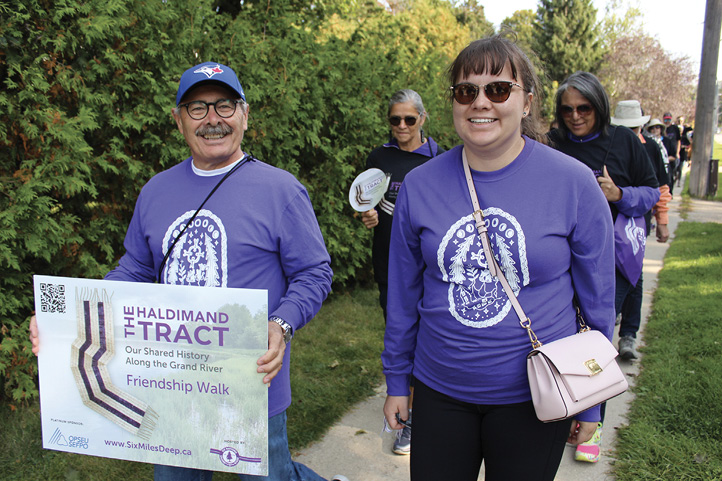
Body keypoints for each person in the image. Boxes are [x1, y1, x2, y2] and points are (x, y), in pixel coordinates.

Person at [29, 61, 348, 481]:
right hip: (171, 386)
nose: (213, 119)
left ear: (245, 115)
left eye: (224, 106)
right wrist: (69, 319)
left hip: (252, 385)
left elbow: (313, 272)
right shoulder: (156, 191)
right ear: (178, 120)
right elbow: (135, 269)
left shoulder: (280, 190)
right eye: (197, 108)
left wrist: (281, 324)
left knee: (273, 476)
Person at [382, 35, 615, 481]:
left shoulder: (574, 183)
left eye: (499, 89)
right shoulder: (420, 184)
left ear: (526, 100)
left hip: (536, 397)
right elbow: (403, 293)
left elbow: (599, 299)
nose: (480, 102)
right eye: (466, 91)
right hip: (439, 390)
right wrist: (397, 379)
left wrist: (592, 397)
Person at [548, 72, 660, 464]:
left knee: (597, 337)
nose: (576, 116)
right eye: (568, 109)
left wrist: (619, 194)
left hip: (609, 260)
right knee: (561, 335)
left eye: (584, 108)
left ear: (600, 107)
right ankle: (565, 411)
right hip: (560, 258)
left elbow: (652, 191)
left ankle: (592, 425)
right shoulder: (552, 143)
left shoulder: (624, 141)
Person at [360, 89, 443, 456]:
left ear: (423, 119)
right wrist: (367, 216)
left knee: (429, 337)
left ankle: (421, 414)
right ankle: (406, 410)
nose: (403, 126)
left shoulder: (439, 158)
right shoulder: (378, 157)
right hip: (389, 262)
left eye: (410, 119)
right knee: (400, 333)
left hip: (428, 265)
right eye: (396, 120)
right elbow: (365, 201)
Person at [610, 100, 671, 361]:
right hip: (613, 223)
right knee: (623, 275)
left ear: (642, 126)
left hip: (637, 224)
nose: (631, 132)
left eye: (634, 128)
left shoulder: (653, 148)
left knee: (633, 273)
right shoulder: (613, 144)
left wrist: (663, 219)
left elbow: (661, 187)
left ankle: (628, 335)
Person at [647, 118, 676, 194]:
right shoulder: (647, 143)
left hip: (665, 170)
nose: (655, 130)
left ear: (661, 129)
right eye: (652, 128)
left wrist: (662, 159)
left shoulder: (667, 141)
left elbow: (673, 156)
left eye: (657, 127)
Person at [664, 112, 682, 188]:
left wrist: (678, 152)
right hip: (665, 152)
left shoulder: (675, 128)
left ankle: (671, 187)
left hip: (673, 153)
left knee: (673, 171)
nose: (667, 121)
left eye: (669, 119)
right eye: (665, 120)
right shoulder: (663, 129)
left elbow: (678, 140)